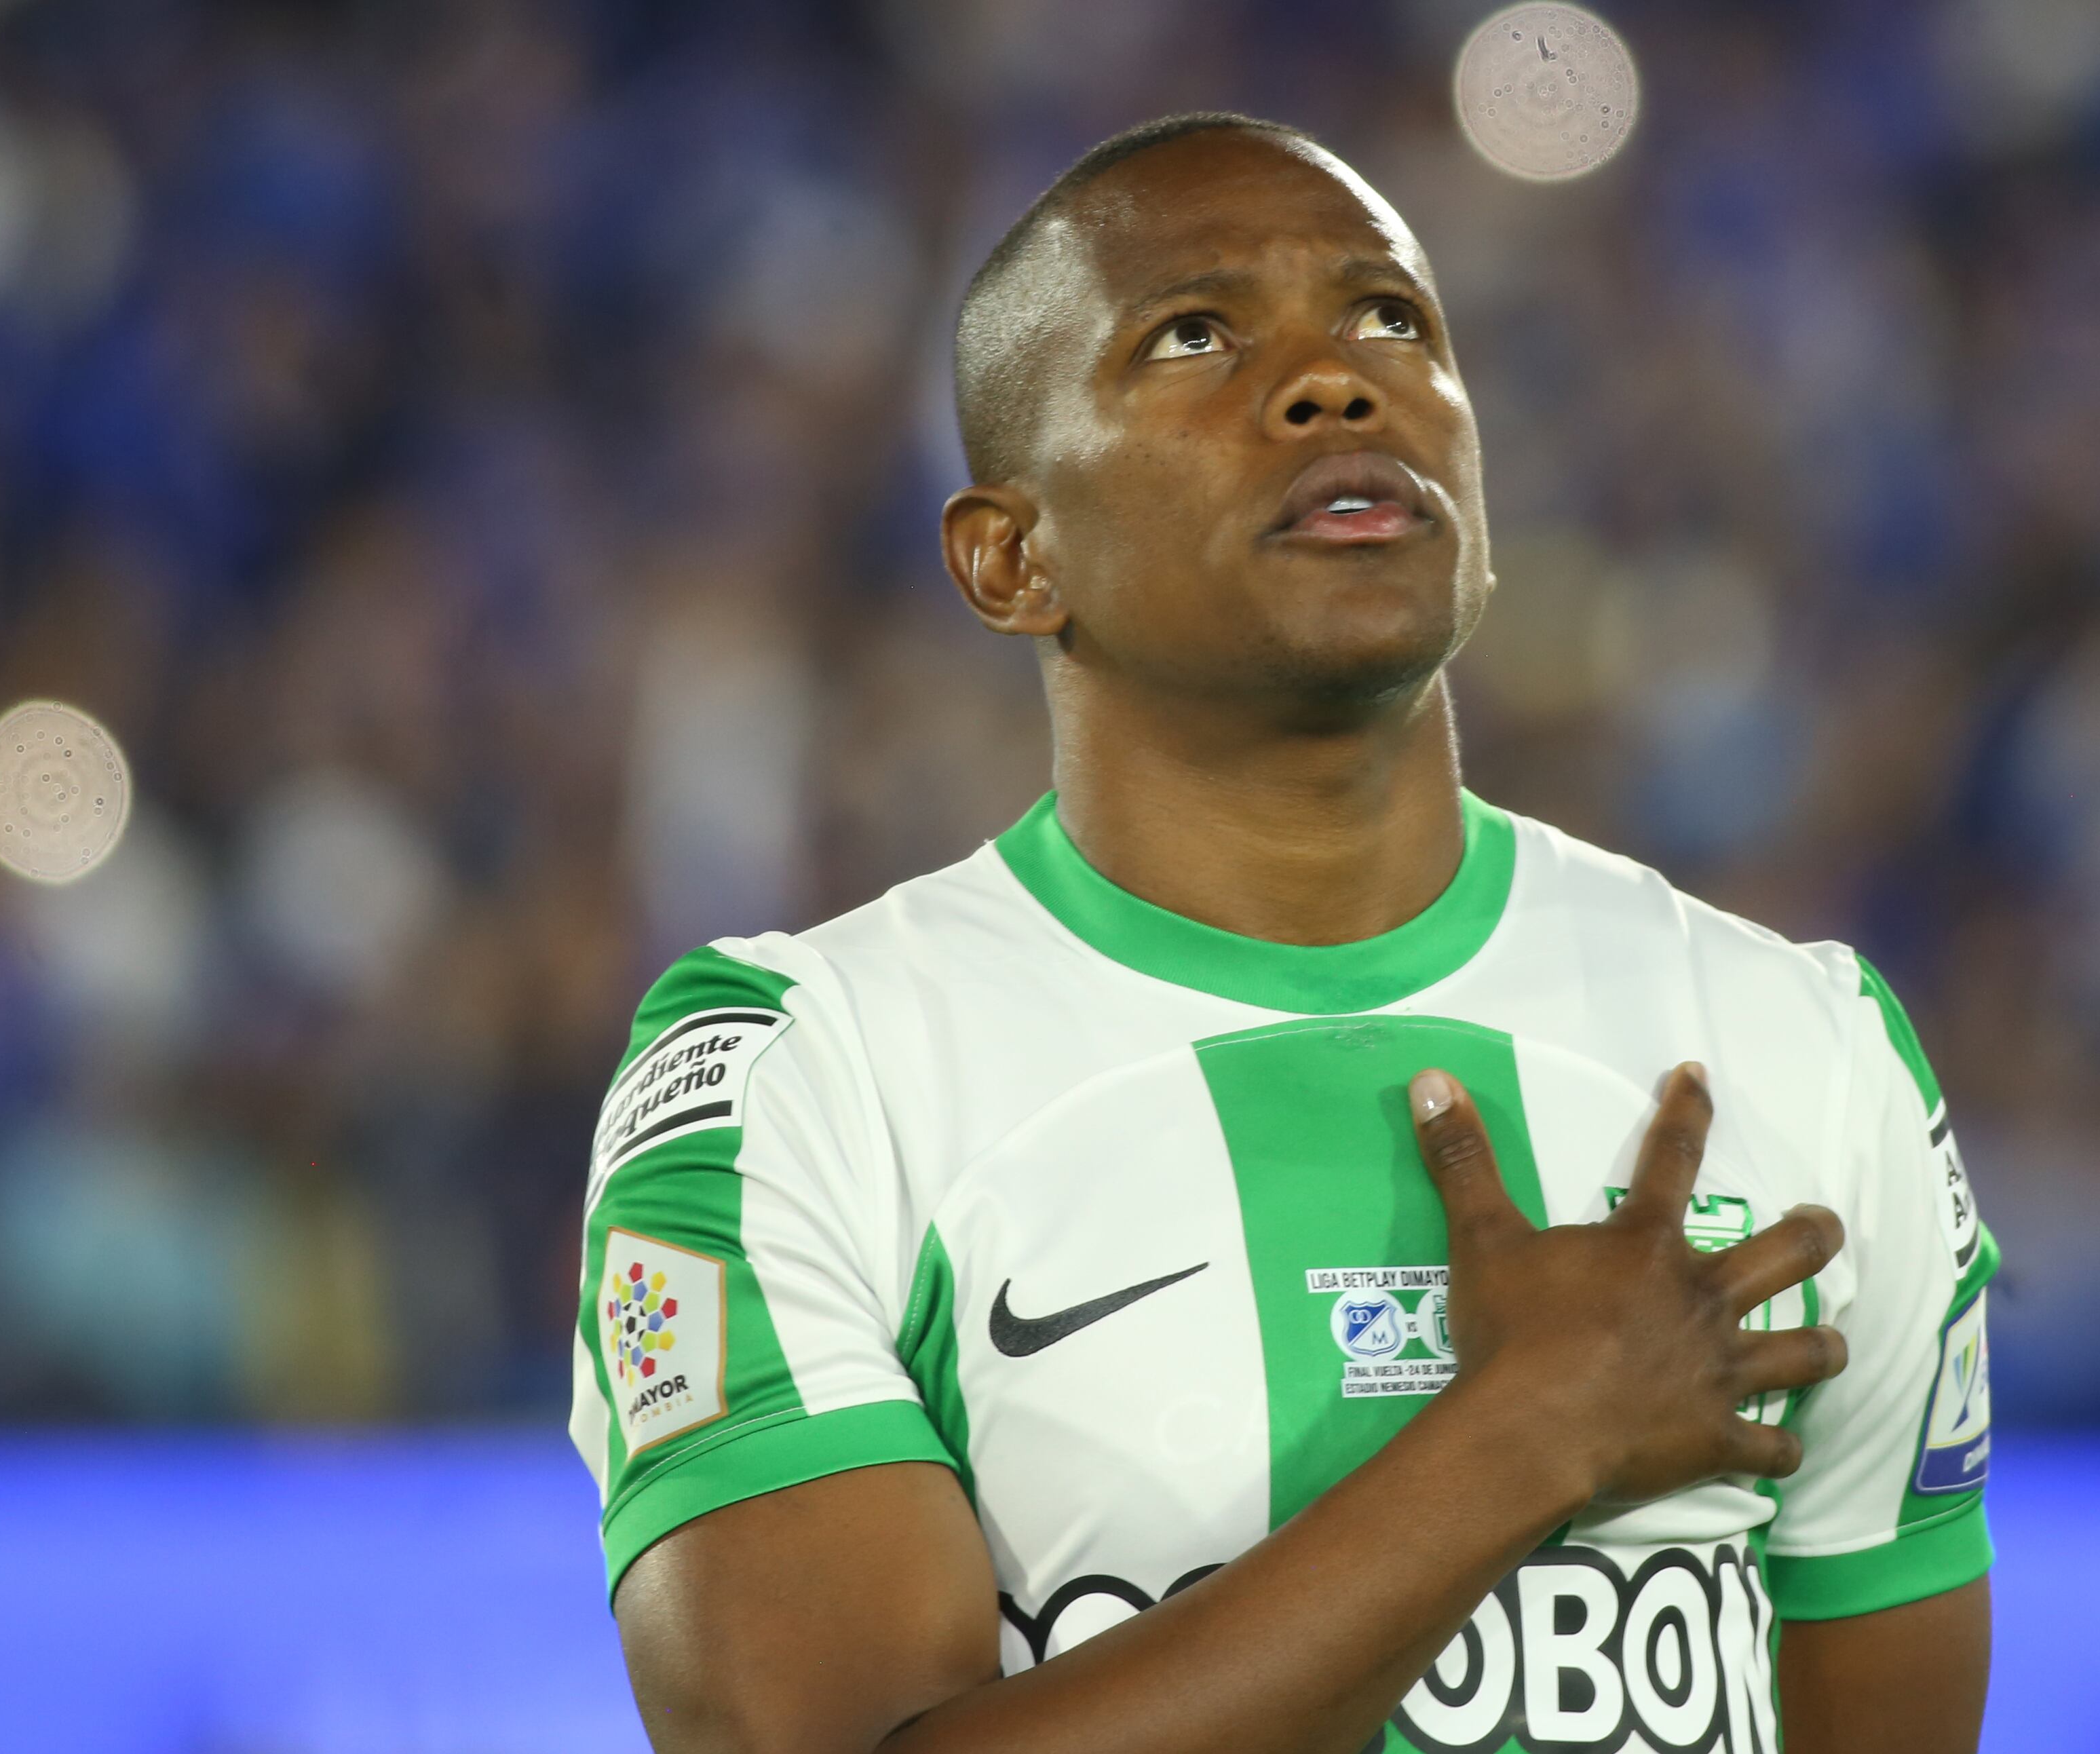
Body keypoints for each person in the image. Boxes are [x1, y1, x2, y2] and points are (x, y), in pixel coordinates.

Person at [571, 113, 1996, 1754]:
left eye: (1393, 320)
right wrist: (1526, 1436)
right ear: (1011, 558)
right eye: (1193, 337)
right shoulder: (798, 1080)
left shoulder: (1801, 1042)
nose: (1336, 383)